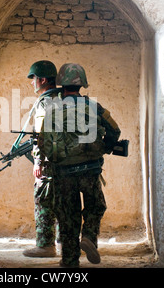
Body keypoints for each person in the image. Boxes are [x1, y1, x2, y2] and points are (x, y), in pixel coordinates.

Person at [37, 63, 121, 267]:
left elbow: (43, 142)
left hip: (63, 172)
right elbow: (114, 131)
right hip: (90, 170)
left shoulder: (52, 109)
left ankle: (69, 261)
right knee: (95, 206)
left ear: (61, 84)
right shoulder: (93, 106)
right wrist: (105, 148)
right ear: (82, 84)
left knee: (67, 216)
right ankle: (89, 237)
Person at [20, 60, 61, 258]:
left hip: (50, 161)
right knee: (64, 201)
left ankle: (45, 245)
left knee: (43, 200)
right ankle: (64, 243)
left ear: (43, 80)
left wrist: (38, 162)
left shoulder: (45, 102)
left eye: (34, 78)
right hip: (67, 160)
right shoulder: (66, 98)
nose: (32, 83)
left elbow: (41, 134)